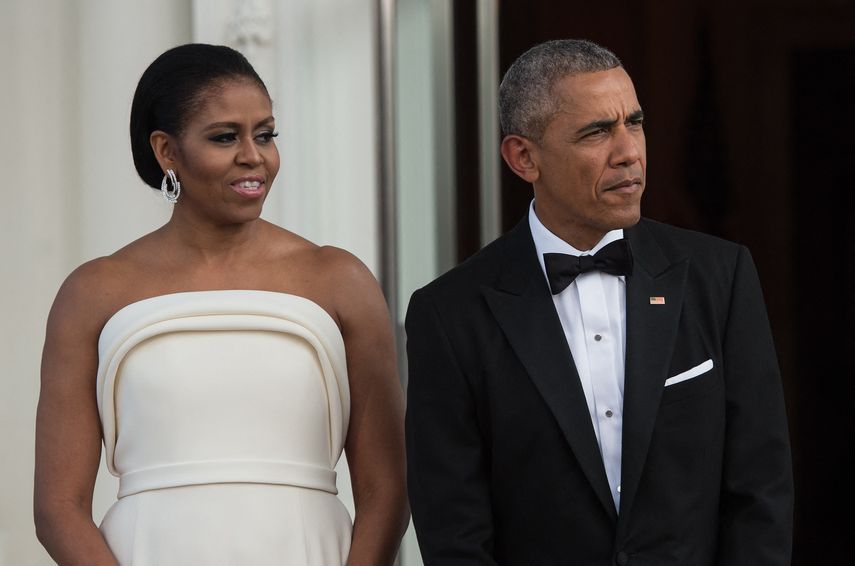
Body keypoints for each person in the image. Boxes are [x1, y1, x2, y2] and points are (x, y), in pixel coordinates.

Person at [405, 39, 792, 565]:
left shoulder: (720, 277)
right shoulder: (449, 314)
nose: (629, 151)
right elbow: (453, 529)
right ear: (524, 158)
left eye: (633, 122)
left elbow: (761, 489)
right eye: (596, 132)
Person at [34, 43, 408, 565]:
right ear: (167, 152)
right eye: (224, 137)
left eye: (266, 134)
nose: (253, 155)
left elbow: (386, 488)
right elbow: (57, 505)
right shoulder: (94, 291)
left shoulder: (338, 279)